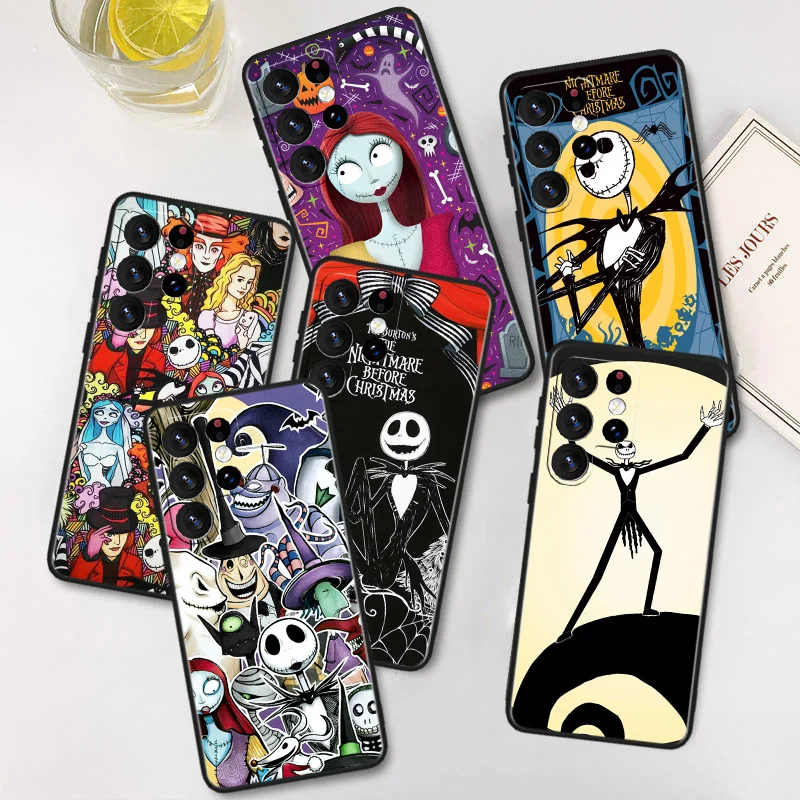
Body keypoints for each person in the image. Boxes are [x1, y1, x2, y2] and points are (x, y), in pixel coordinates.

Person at [320, 112, 459, 275]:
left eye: (378, 155)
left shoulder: (441, 227)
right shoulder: (345, 258)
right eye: (346, 172)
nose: (372, 178)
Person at [189, 658, 267, 787]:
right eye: (192, 695)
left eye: (211, 688)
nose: (202, 700)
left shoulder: (248, 742)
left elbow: (271, 776)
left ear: (223, 684)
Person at [162, 213, 249, 319]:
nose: (206, 255)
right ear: (190, 248)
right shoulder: (175, 275)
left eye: (214, 250)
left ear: (222, 254)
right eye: (200, 246)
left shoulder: (223, 286)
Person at [89, 290, 167, 396]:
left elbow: (156, 392)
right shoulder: (104, 350)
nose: (143, 336)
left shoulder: (158, 358)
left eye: (149, 328)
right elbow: (93, 378)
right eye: (137, 328)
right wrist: (116, 343)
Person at [68, 486, 145, 588]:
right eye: (110, 534)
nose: (117, 542)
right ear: (95, 535)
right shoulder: (82, 561)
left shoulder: (134, 563)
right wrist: (90, 556)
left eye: (123, 534)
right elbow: (73, 587)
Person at [198, 253, 262, 350]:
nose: (244, 287)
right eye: (240, 280)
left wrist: (243, 343)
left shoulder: (250, 319)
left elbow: (253, 352)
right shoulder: (207, 316)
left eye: (249, 282)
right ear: (227, 278)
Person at [78, 399, 132, 487]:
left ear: (119, 417)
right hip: (86, 487)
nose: (105, 417)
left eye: (113, 414)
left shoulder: (118, 448)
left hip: (107, 488)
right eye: (99, 412)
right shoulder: (85, 445)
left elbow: (125, 474)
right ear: (93, 414)